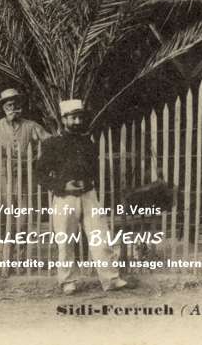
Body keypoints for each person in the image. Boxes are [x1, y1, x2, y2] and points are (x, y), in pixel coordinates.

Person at [36, 99, 127, 295]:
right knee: (65, 240)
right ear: (63, 119)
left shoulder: (88, 142)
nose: (77, 121)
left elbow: (93, 169)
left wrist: (87, 182)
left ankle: (111, 279)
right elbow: (40, 174)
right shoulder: (52, 144)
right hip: (64, 198)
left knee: (100, 236)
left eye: (80, 117)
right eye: (73, 117)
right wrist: (62, 185)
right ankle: (68, 281)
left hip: (88, 195)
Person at [0, 88, 50, 156]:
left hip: (27, 167)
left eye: (15, 104)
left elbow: (50, 140)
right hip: (3, 168)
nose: (13, 108)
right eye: (9, 105)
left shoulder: (31, 125)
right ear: (3, 108)